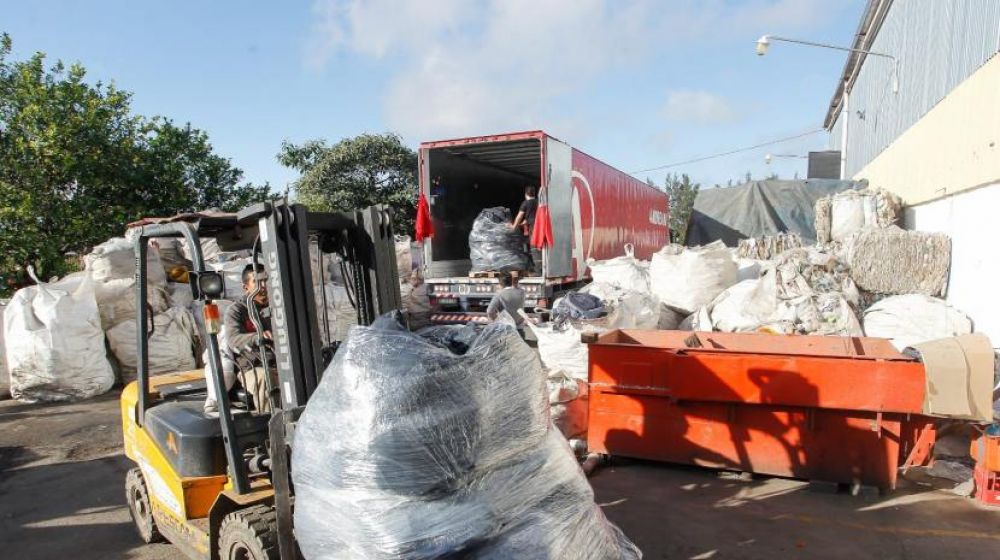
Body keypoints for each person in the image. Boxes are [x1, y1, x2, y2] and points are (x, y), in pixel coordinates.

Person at [204, 263, 274, 414]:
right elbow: (234, 339)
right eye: (257, 282)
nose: (263, 286)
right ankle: (271, 424)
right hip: (251, 367)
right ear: (246, 287)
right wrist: (257, 337)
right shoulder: (237, 310)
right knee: (265, 378)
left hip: (281, 363)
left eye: (265, 281)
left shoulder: (278, 307)